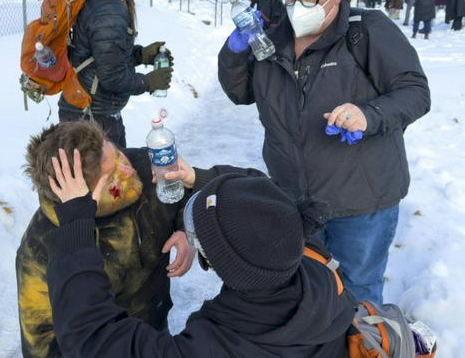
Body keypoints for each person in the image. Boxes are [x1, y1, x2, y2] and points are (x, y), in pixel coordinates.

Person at [218, 0, 431, 303]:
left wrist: (368, 114)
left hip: (361, 204)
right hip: (295, 203)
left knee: (357, 295)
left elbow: (415, 92)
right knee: (307, 295)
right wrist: (234, 52)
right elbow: (240, 93)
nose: (297, 7)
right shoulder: (272, 40)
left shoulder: (367, 31)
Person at [42, 151, 358, 357]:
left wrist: (75, 228)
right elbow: (264, 194)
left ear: (226, 266)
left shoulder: (220, 347)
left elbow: (96, 340)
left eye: (202, 240)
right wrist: (198, 178)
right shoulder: (310, 256)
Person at [16, 121, 195, 357]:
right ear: (78, 195)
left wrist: (187, 230)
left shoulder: (145, 165)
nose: (128, 170)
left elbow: (186, 194)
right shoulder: (41, 250)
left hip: (155, 326)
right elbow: (41, 343)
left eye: (117, 154)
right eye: (112, 178)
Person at [57, 0, 173, 148]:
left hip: (93, 115)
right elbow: (111, 77)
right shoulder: (108, 6)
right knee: (112, 174)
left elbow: (104, 54)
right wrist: (149, 82)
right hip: (89, 122)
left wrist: (140, 55)